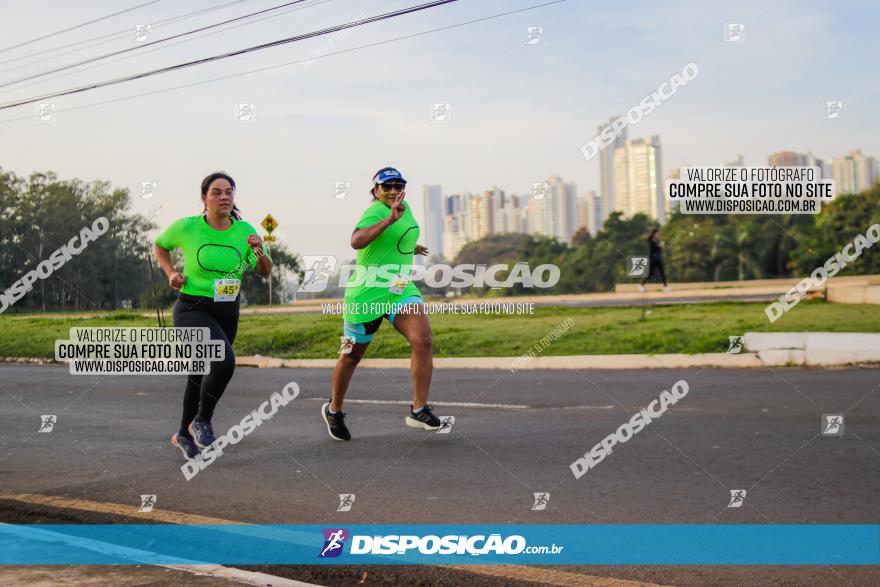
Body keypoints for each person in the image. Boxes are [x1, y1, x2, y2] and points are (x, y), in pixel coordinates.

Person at [154, 172, 272, 460]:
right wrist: (171, 273)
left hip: (227, 310)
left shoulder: (244, 231)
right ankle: (202, 420)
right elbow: (160, 245)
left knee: (199, 371)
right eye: (217, 192)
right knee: (224, 362)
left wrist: (258, 251)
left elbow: (265, 270)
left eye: (229, 192)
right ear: (204, 198)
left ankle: (183, 433)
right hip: (192, 308)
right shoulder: (188, 227)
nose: (224, 197)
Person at [322, 167, 441, 441]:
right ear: (376, 191)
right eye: (386, 187)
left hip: (399, 289)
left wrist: (412, 247)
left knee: (422, 339)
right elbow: (356, 241)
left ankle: (419, 409)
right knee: (351, 355)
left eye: (398, 185)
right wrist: (388, 219)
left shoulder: (405, 207)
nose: (392, 191)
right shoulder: (375, 211)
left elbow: (392, 241)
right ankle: (333, 410)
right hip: (365, 297)